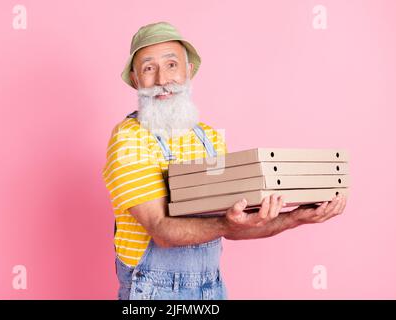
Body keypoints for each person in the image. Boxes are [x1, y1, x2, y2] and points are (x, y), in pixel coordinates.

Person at [102, 22, 347, 300]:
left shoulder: (209, 138)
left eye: (171, 65)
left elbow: (233, 226)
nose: (162, 79)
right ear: (136, 80)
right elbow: (162, 230)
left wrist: (296, 217)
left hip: (212, 290)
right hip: (154, 292)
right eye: (149, 68)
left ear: (188, 72)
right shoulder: (129, 140)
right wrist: (228, 225)